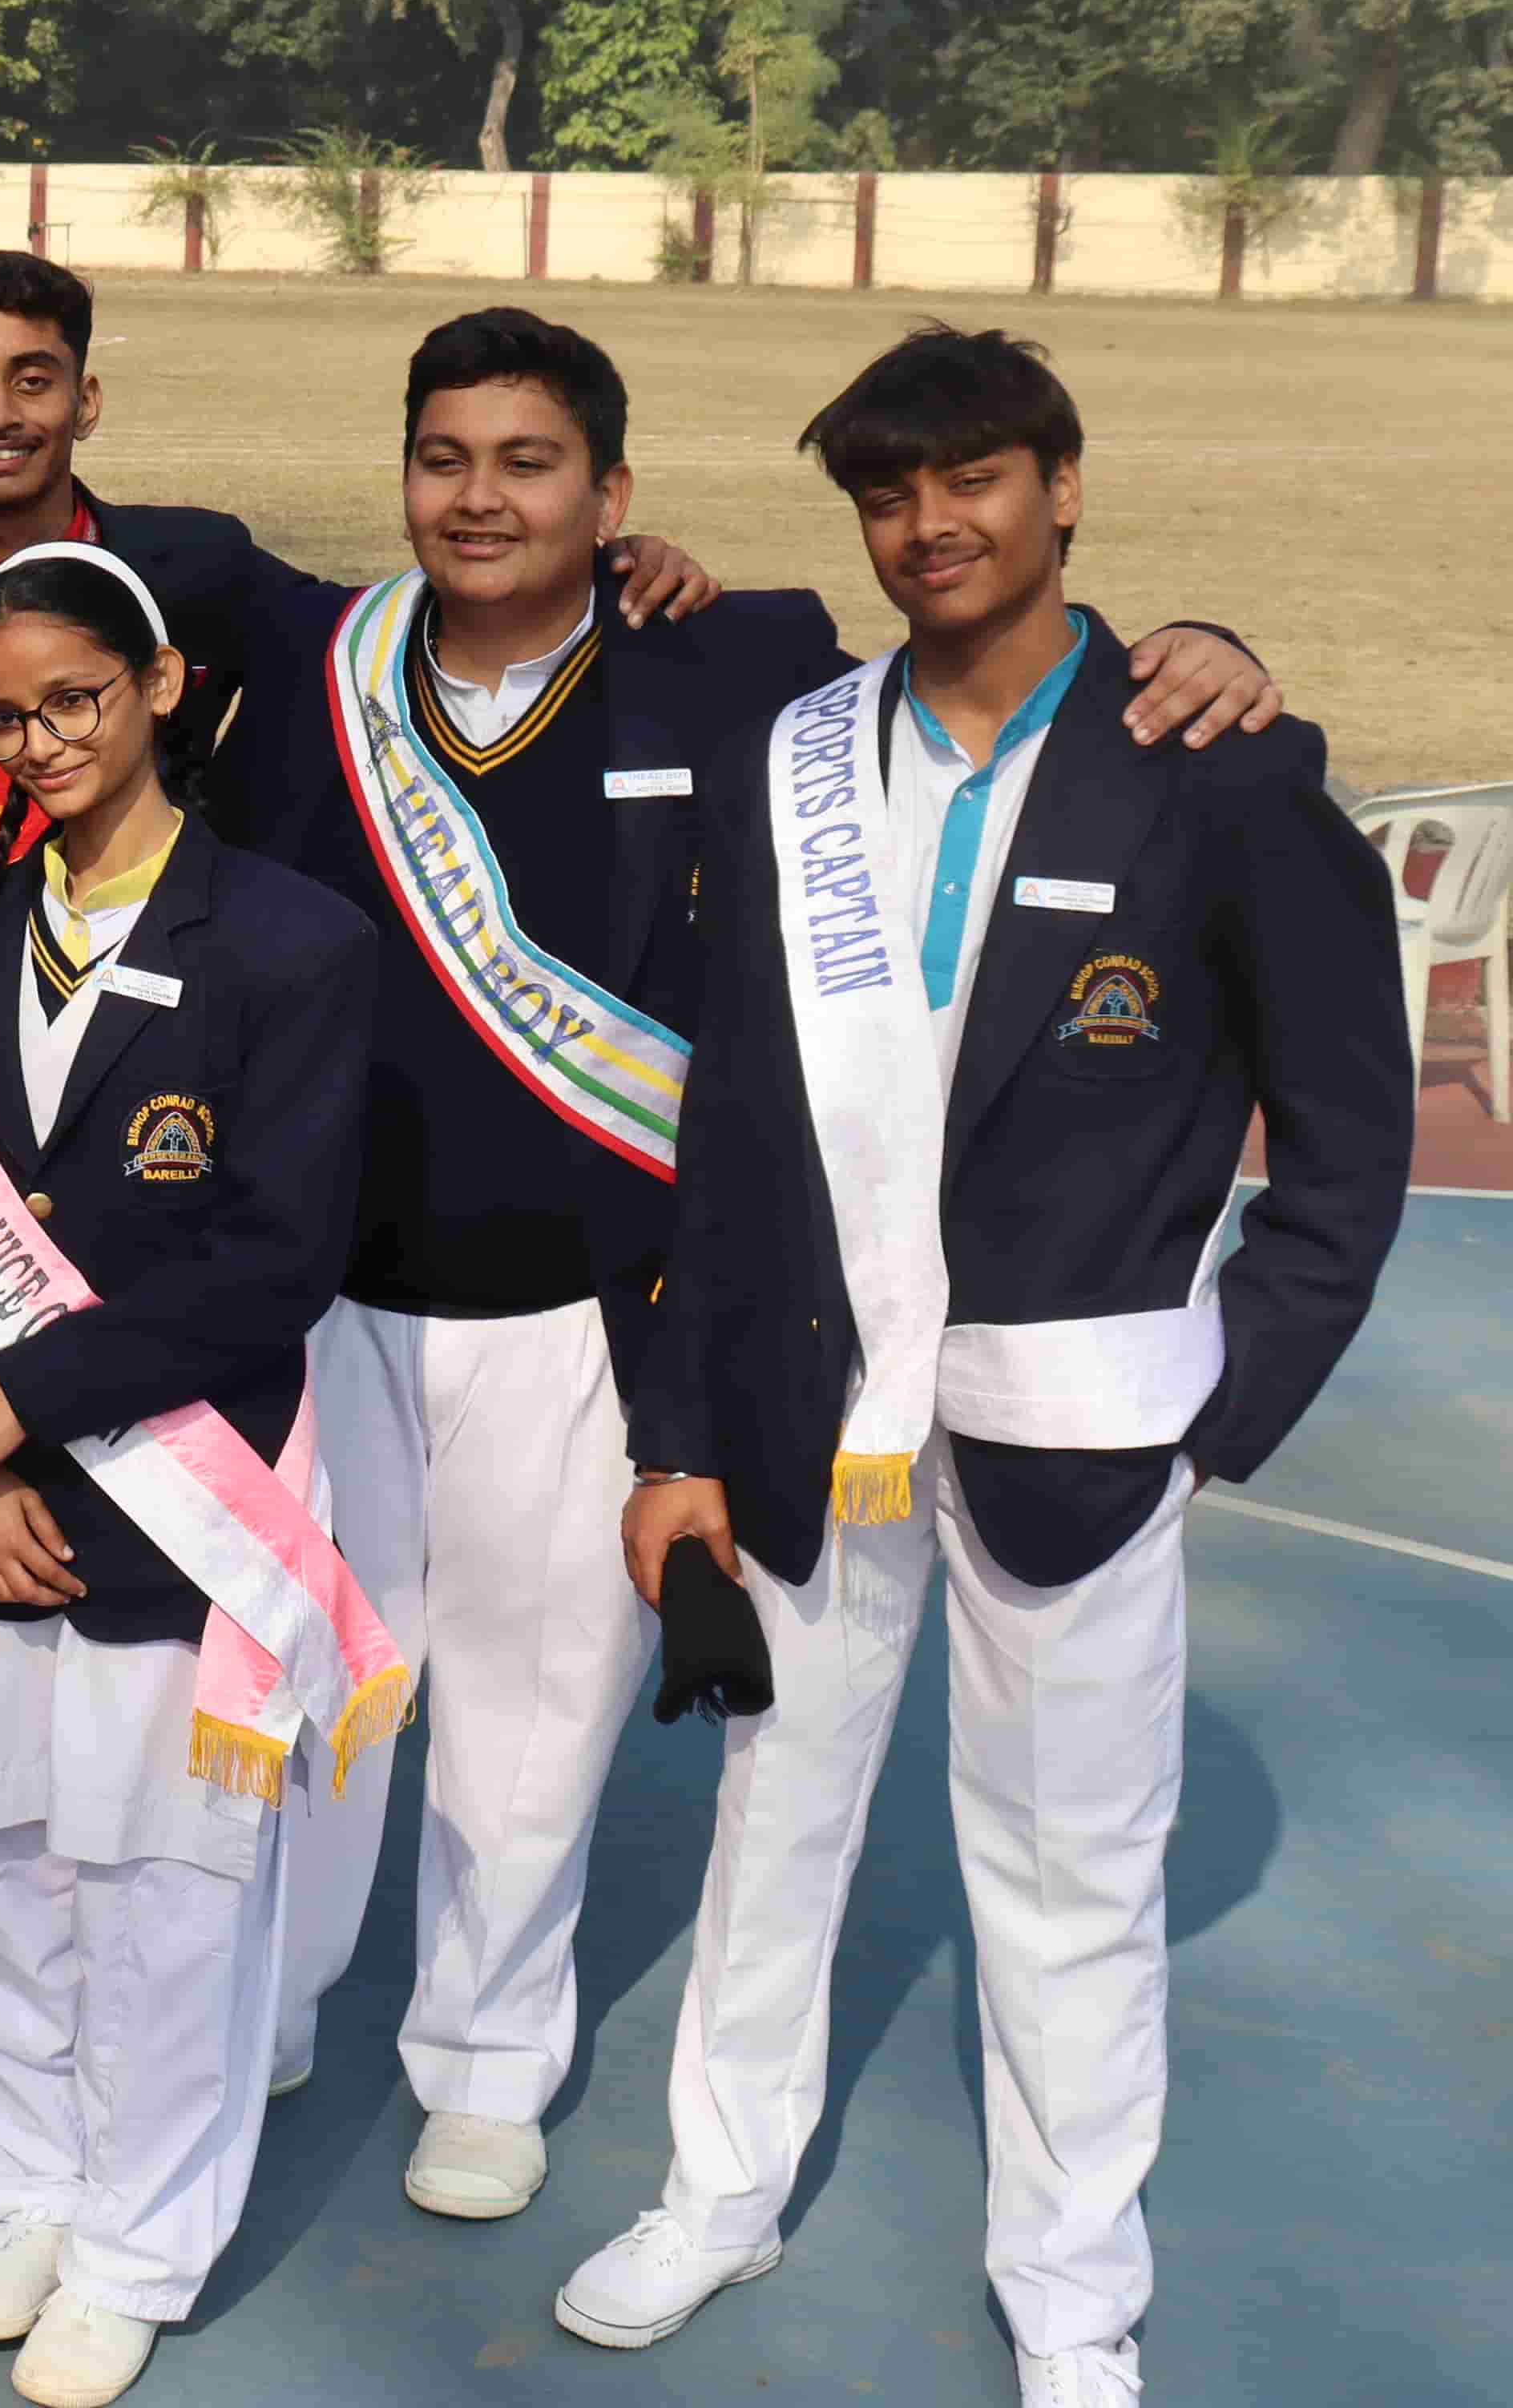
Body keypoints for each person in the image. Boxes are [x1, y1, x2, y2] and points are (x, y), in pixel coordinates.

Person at [209, 309, 1292, 2204]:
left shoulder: (730, 659)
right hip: (333, 1295)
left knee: (539, 1711)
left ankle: (485, 2054)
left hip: (586, 1302)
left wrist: (1209, 642)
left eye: (530, 461)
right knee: (310, 1678)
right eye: (446, 457)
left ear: (612, 491)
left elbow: (981, 683)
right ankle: (264, 2009)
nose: (481, 496)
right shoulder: (311, 674)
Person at [555, 329, 1407, 2406]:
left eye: (973, 480)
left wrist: (1220, 1403)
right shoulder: (788, 762)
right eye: (889, 492)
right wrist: (678, 1431)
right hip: (810, 1403)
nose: (929, 526)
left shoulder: (1215, 765)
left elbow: (1348, 1137)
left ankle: (1072, 2293)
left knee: (1068, 1877)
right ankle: (720, 2190)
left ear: (1064, 487)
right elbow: (732, 1121)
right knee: (774, 1818)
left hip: (1082, 1425)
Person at [0, 539, 393, 2408]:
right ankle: (14, 2180)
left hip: (182, 1498)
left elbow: (273, 1253)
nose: (42, 742)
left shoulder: (292, 943)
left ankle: (138, 2235)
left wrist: (18, 1403)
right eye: (6, 717)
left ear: (162, 684)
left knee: (165, 1882)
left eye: (75, 698)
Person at [0, 253, 733, 914]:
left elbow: (389, 625)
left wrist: (604, 553)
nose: (0, 415)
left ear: (84, 402)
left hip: (173, 975)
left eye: (32, 381)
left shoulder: (200, 563)